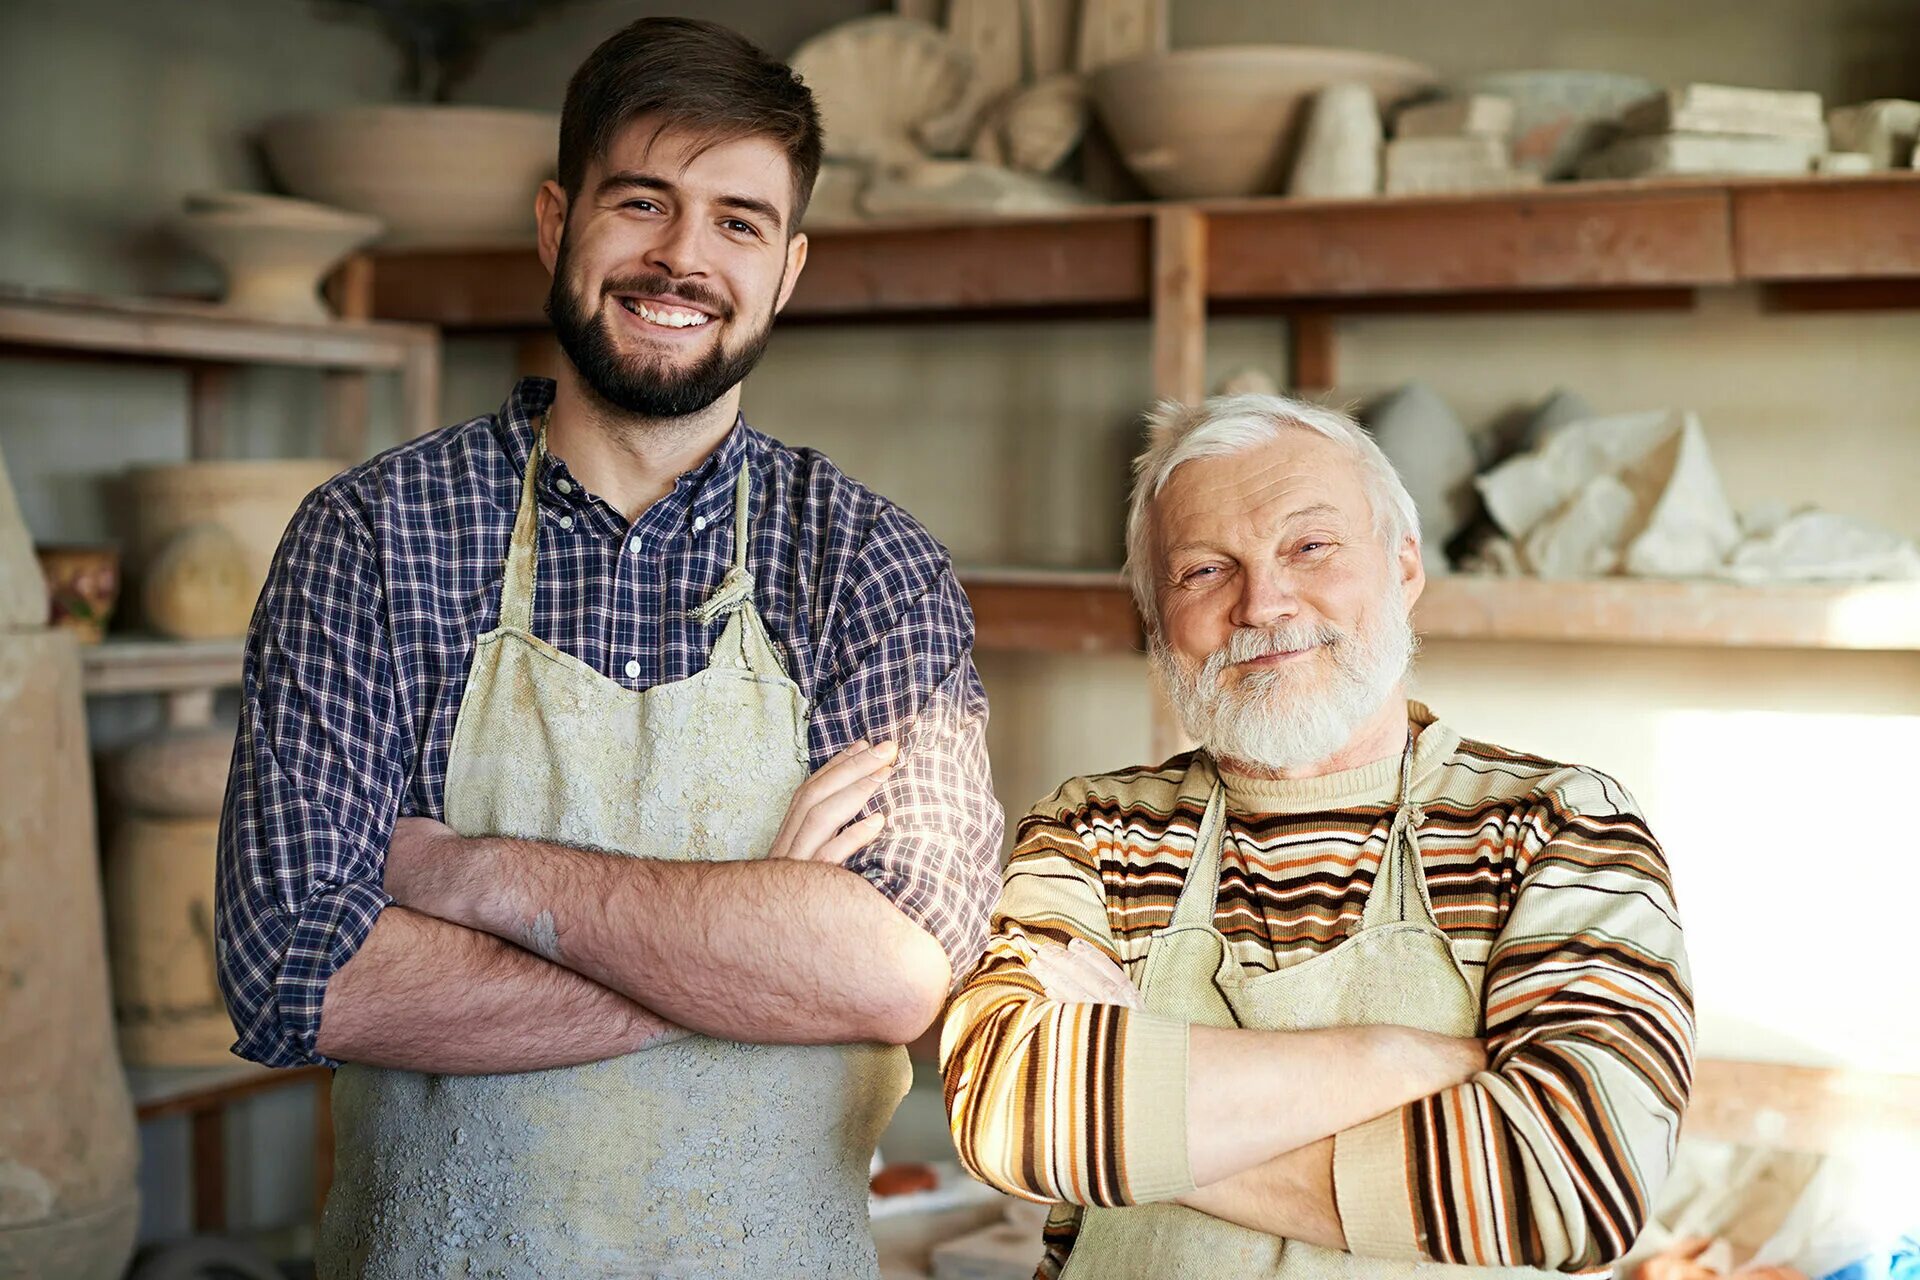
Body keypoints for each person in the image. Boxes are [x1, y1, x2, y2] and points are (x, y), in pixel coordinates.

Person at [214, 17, 1003, 1278]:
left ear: (787, 270)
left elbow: (901, 969)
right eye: (644, 202)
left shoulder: (867, 563)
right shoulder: (372, 537)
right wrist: (753, 947)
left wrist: (475, 877)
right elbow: (300, 973)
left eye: (738, 220)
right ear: (555, 223)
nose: (683, 257)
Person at [941, 393, 1694, 1278]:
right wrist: (1404, 1061)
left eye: (1309, 547)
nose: (1263, 603)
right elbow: (1012, 1110)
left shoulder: (1563, 825)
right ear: (1157, 619)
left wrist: (1144, 1116)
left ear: (1404, 566)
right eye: (1203, 572)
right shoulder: (1092, 831)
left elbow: (1572, 1180)